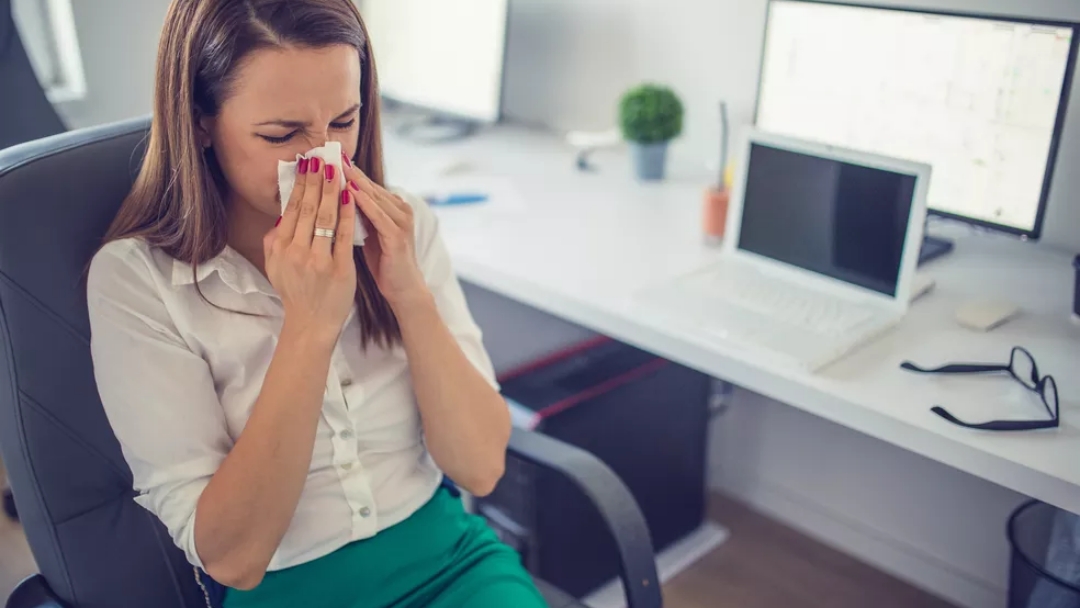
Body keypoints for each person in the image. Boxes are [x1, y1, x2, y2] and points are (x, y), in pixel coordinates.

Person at [85, 1, 547, 607]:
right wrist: (308, 326)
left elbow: (481, 468)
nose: (325, 158)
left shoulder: (403, 229)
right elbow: (235, 556)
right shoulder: (136, 280)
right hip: (288, 588)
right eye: (282, 135)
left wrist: (409, 296)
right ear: (200, 122)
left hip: (449, 560)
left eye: (344, 121)